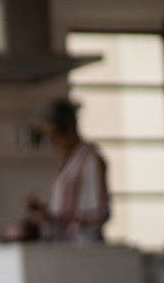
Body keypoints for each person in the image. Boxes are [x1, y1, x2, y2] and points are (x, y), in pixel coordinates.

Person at [25, 98, 110, 243]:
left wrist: (57, 218)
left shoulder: (90, 160)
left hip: (85, 247)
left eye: (53, 134)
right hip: (65, 245)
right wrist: (46, 213)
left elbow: (99, 213)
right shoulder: (69, 162)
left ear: (69, 129)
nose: (52, 141)